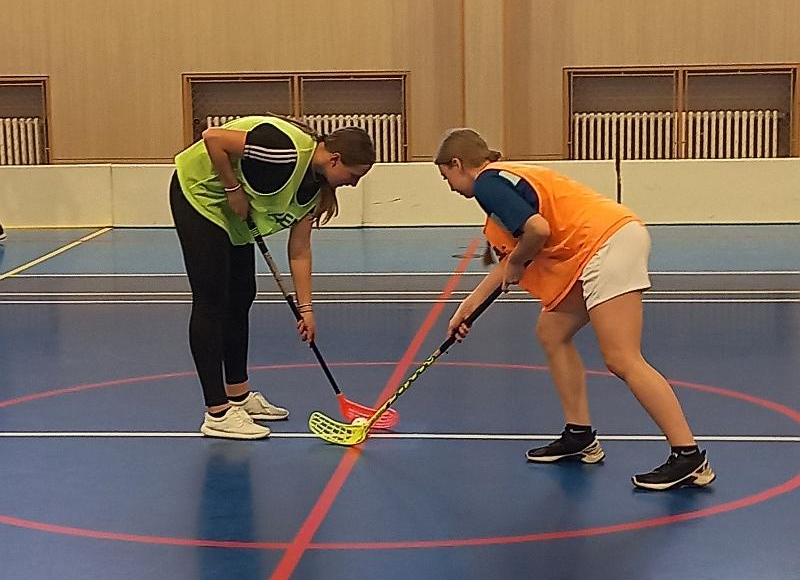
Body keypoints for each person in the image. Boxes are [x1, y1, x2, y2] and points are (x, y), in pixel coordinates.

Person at [435, 128, 715, 491]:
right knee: (552, 332)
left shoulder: (488, 183)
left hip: (607, 245)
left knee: (622, 358)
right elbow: (511, 258)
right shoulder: (507, 180)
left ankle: (688, 456)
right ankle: (579, 435)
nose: (449, 187)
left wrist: (518, 261)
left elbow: (536, 231)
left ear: (458, 164)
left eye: (446, 177)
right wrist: (468, 307)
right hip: (598, 247)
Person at [170, 115, 375, 440]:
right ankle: (217, 413)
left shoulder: (315, 188)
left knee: (241, 295)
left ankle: (238, 396)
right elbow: (213, 138)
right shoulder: (284, 150)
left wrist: (306, 309)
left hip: (232, 213)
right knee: (212, 299)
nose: (354, 184)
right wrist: (232, 188)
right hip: (201, 194)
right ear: (335, 159)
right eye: (354, 175)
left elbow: (299, 251)